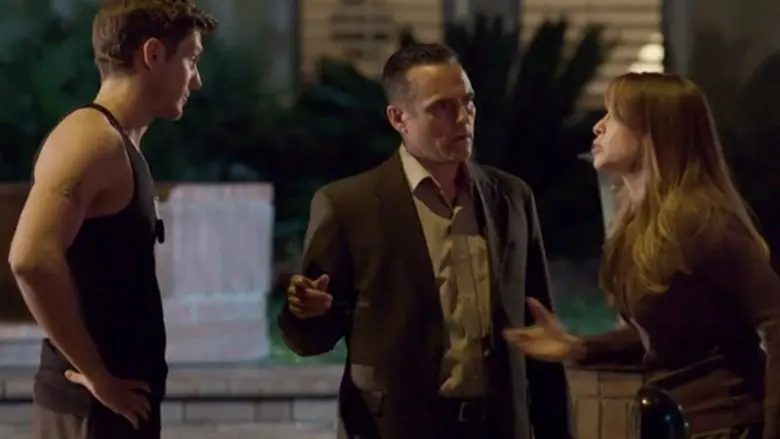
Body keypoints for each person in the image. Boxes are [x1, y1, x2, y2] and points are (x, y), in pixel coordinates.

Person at [278, 43, 573, 439]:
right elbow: (312, 339)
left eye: (467, 102)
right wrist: (306, 312)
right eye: (442, 107)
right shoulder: (349, 206)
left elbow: (539, 325)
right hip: (397, 426)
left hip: (499, 425)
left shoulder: (511, 198)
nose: (463, 118)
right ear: (399, 117)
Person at [503, 72, 780, 439]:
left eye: (614, 115)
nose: (599, 126)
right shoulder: (644, 227)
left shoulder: (705, 222)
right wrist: (577, 347)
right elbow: (663, 336)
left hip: (726, 424)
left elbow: (776, 319)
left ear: (653, 132)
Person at [8, 1, 217, 438]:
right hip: (91, 409)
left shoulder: (120, 143)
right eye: (191, 60)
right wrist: (97, 375)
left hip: (116, 407)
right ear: (153, 54)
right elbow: (31, 259)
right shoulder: (91, 140)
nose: (196, 80)